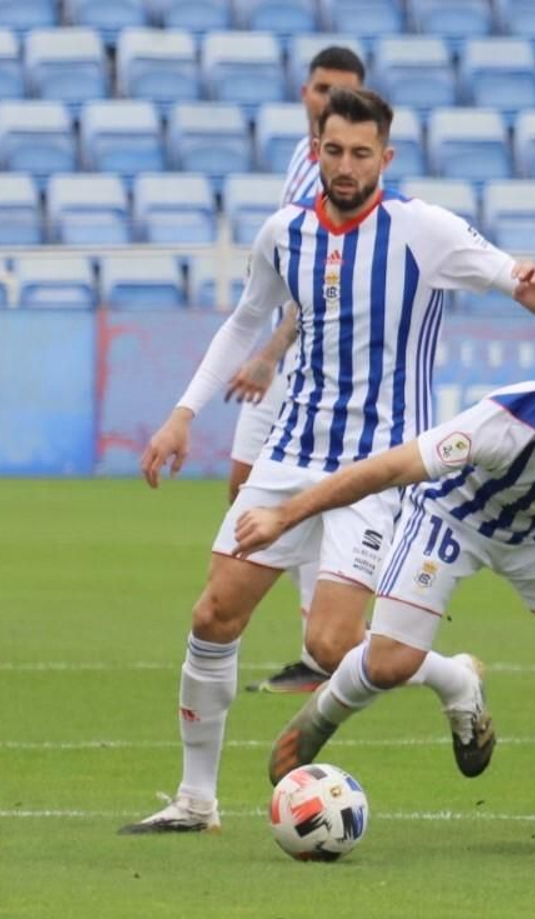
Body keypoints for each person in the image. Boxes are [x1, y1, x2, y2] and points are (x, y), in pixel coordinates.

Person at [119, 87, 535, 835]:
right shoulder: (283, 232)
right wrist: (181, 415)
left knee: (330, 645)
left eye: (363, 153)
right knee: (214, 613)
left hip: (378, 471)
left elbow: (523, 286)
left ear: (385, 157)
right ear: (315, 150)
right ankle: (196, 800)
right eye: (334, 151)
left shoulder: (423, 231)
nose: (347, 165)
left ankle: (454, 678)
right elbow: (244, 323)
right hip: (290, 453)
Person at [230, 353, 535, 793]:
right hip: (452, 520)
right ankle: (318, 720)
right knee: (389, 664)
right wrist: (283, 516)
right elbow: (384, 470)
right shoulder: (501, 423)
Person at [222, 45, 366, 695]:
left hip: (313, 366)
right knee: (245, 494)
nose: (327, 100)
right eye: (319, 89)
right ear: (304, 93)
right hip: (281, 356)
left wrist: (269, 353)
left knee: (297, 501)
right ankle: (325, 643)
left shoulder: (345, 178)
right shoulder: (298, 158)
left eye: (342, 92)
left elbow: (323, 291)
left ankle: (330, 648)